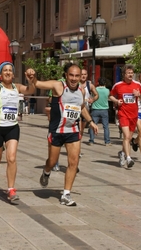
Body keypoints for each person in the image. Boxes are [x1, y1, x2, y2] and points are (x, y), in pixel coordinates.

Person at [33, 63, 98, 206]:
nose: (74, 79)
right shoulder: (58, 86)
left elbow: (81, 108)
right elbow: (38, 84)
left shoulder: (81, 90)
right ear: (66, 75)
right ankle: (46, 172)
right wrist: (32, 76)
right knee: (51, 161)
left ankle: (66, 194)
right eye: (71, 75)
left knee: (73, 162)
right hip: (57, 131)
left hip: (73, 131)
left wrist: (91, 121)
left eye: (77, 76)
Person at [0, 61, 36, 202]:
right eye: (5, 70)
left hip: (12, 127)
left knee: (11, 158)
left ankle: (11, 189)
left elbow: (31, 90)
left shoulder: (17, 87)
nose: (8, 72)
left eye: (10, 70)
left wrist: (32, 80)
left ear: (13, 73)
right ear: (0, 74)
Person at [109, 64, 141, 168]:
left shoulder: (137, 85)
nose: (131, 74)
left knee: (129, 138)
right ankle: (129, 158)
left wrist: (139, 95)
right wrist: (116, 101)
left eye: (132, 73)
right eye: (128, 73)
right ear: (124, 74)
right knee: (126, 136)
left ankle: (122, 153)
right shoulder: (118, 85)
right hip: (123, 114)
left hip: (134, 115)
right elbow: (110, 96)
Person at [88, 77, 111, 145]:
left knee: (93, 125)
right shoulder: (107, 90)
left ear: (98, 83)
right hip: (104, 110)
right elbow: (109, 97)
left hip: (95, 109)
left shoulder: (95, 89)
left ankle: (91, 141)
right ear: (105, 83)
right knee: (106, 127)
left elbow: (93, 97)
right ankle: (107, 142)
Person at [79, 68, 98, 143]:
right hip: (76, 109)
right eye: (82, 74)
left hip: (85, 110)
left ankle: (78, 147)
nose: (83, 76)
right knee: (78, 129)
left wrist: (92, 99)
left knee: (81, 130)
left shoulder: (90, 85)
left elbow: (96, 95)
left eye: (85, 74)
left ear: (87, 75)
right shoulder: (75, 84)